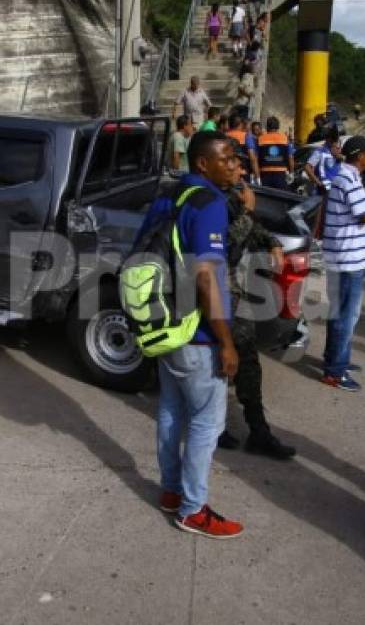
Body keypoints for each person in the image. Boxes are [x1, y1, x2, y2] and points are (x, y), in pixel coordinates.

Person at [147, 130, 244, 539]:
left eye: (237, 158)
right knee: (206, 423)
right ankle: (192, 508)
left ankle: (171, 491)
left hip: (165, 324)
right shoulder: (209, 204)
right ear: (203, 164)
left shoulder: (168, 196)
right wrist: (226, 341)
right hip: (198, 333)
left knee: (171, 409)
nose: (237, 165)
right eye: (229, 159)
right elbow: (207, 279)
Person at [216, 150, 296, 459]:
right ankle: (215, 425)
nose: (241, 171)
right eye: (234, 165)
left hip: (232, 292)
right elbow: (227, 244)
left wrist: (272, 242)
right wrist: (248, 212)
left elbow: (250, 229)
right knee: (219, 360)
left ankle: (258, 431)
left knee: (246, 360)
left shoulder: (230, 196)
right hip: (211, 293)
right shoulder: (209, 201)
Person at [320, 136, 365, 391]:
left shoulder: (346, 176)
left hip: (342, 256)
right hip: (347, 261)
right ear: (360, 155)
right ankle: (335, 371)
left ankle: (335, 360)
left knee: (339, 314)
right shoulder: (350, 179)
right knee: (347, 316)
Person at [257, 116, 295, 189]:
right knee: (281, 197)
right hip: (281, 173)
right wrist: (291, 173)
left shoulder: (260, 139)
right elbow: (290, 157)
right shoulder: (285, 138)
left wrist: (257, 176)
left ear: (267, 126)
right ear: (278, 126)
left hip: (265, 173)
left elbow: (256, 158)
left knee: (266, 197)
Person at [304, 126, 341, 193]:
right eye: (333, 140)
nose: (334, 143)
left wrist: (338, 156)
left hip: (335, 188)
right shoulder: (319, 152)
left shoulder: (337, 152)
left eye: (335, 141)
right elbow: (307, 167)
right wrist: (318, 183)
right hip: (323, 190)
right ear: (327, 139)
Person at [226, 114, 260, 185]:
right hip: (242, 173)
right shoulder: (246, 136)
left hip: (227, 172)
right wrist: (257, 177)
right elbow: (252, 158)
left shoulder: (224, 135)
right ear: (240, 124)